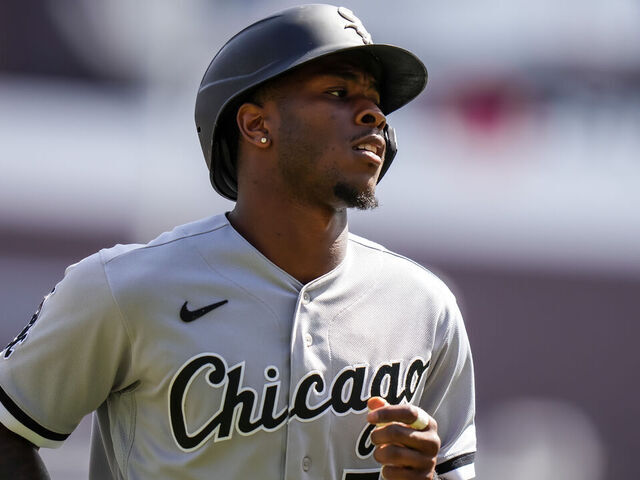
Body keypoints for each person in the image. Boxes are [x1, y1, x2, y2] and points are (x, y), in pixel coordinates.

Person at [0, 4, 476, 479]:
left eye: (376, 101)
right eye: (338, 91)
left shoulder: (424, 308)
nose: (374, 113)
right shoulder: (125, 287)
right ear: (256, 125)